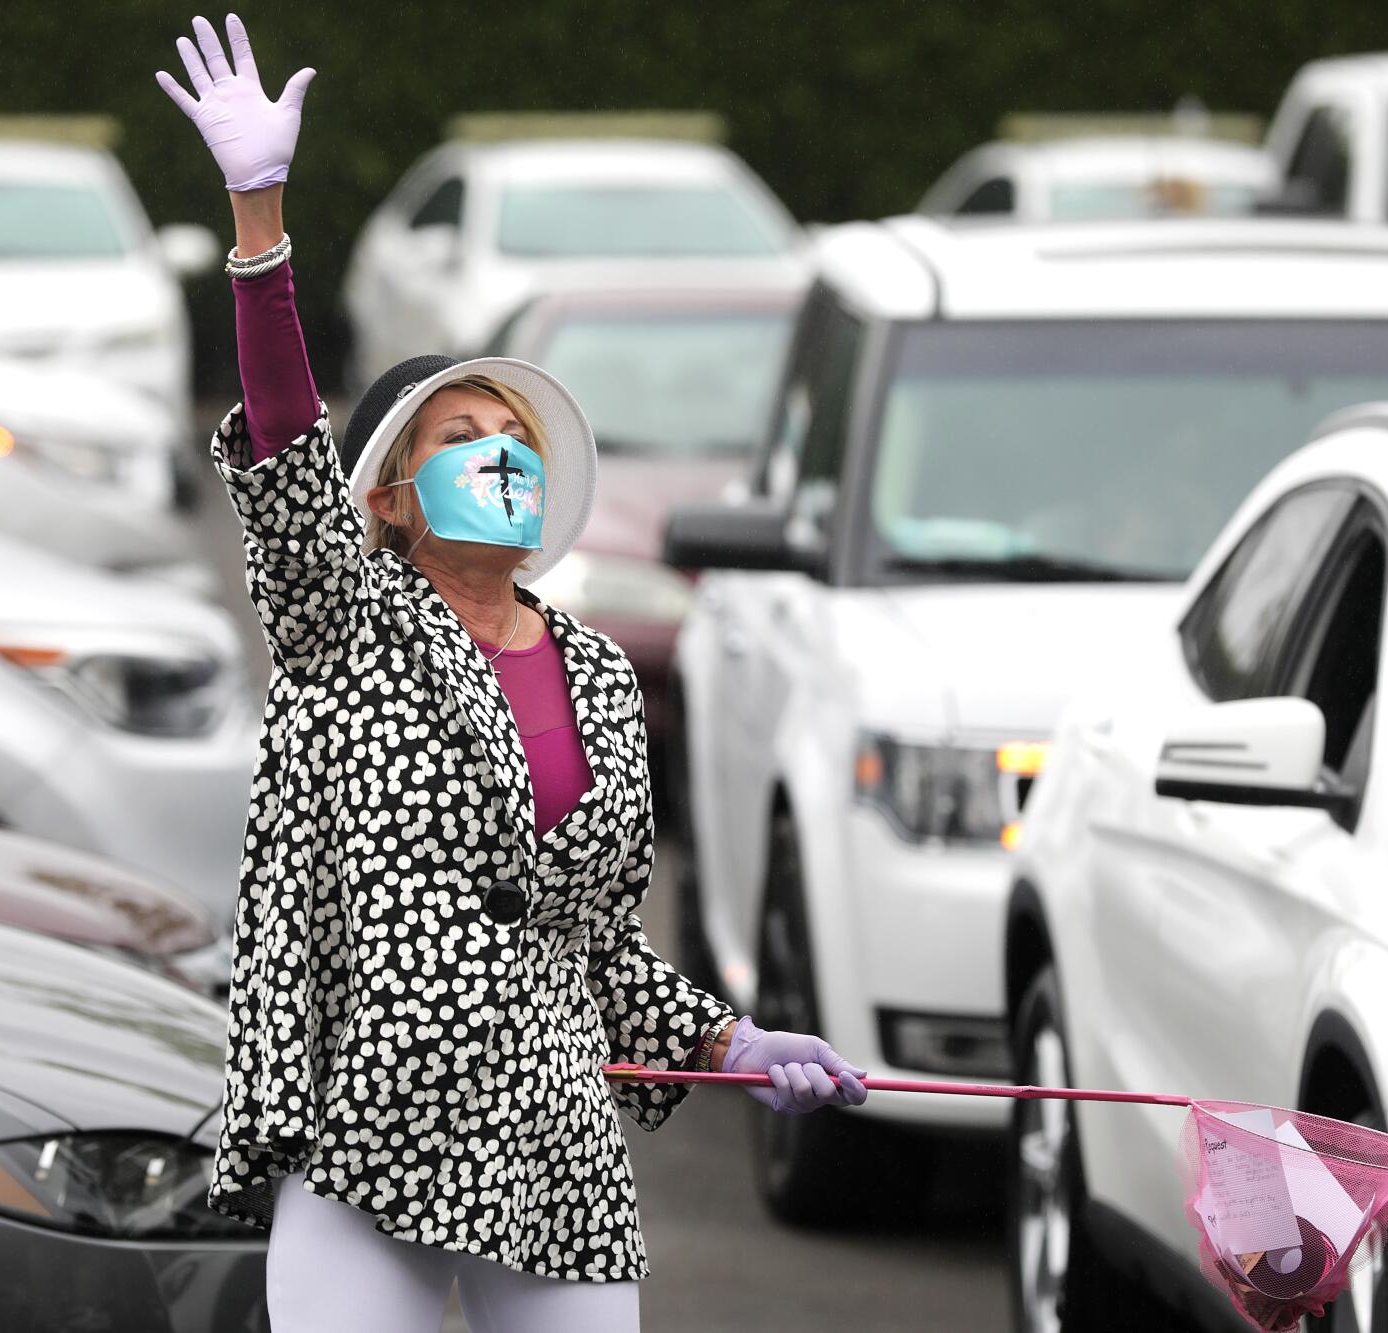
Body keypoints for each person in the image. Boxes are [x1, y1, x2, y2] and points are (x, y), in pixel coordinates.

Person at [157, 15, 868, 1332]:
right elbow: (279, 445)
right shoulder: (349, 628)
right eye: (463, 435)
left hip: (558, 1157)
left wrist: (730, 1041)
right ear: (390, 498)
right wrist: (260, 221)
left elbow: (592, 945)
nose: (501, 454)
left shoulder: (597, 672)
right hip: (370, 1139)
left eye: (515, 436)